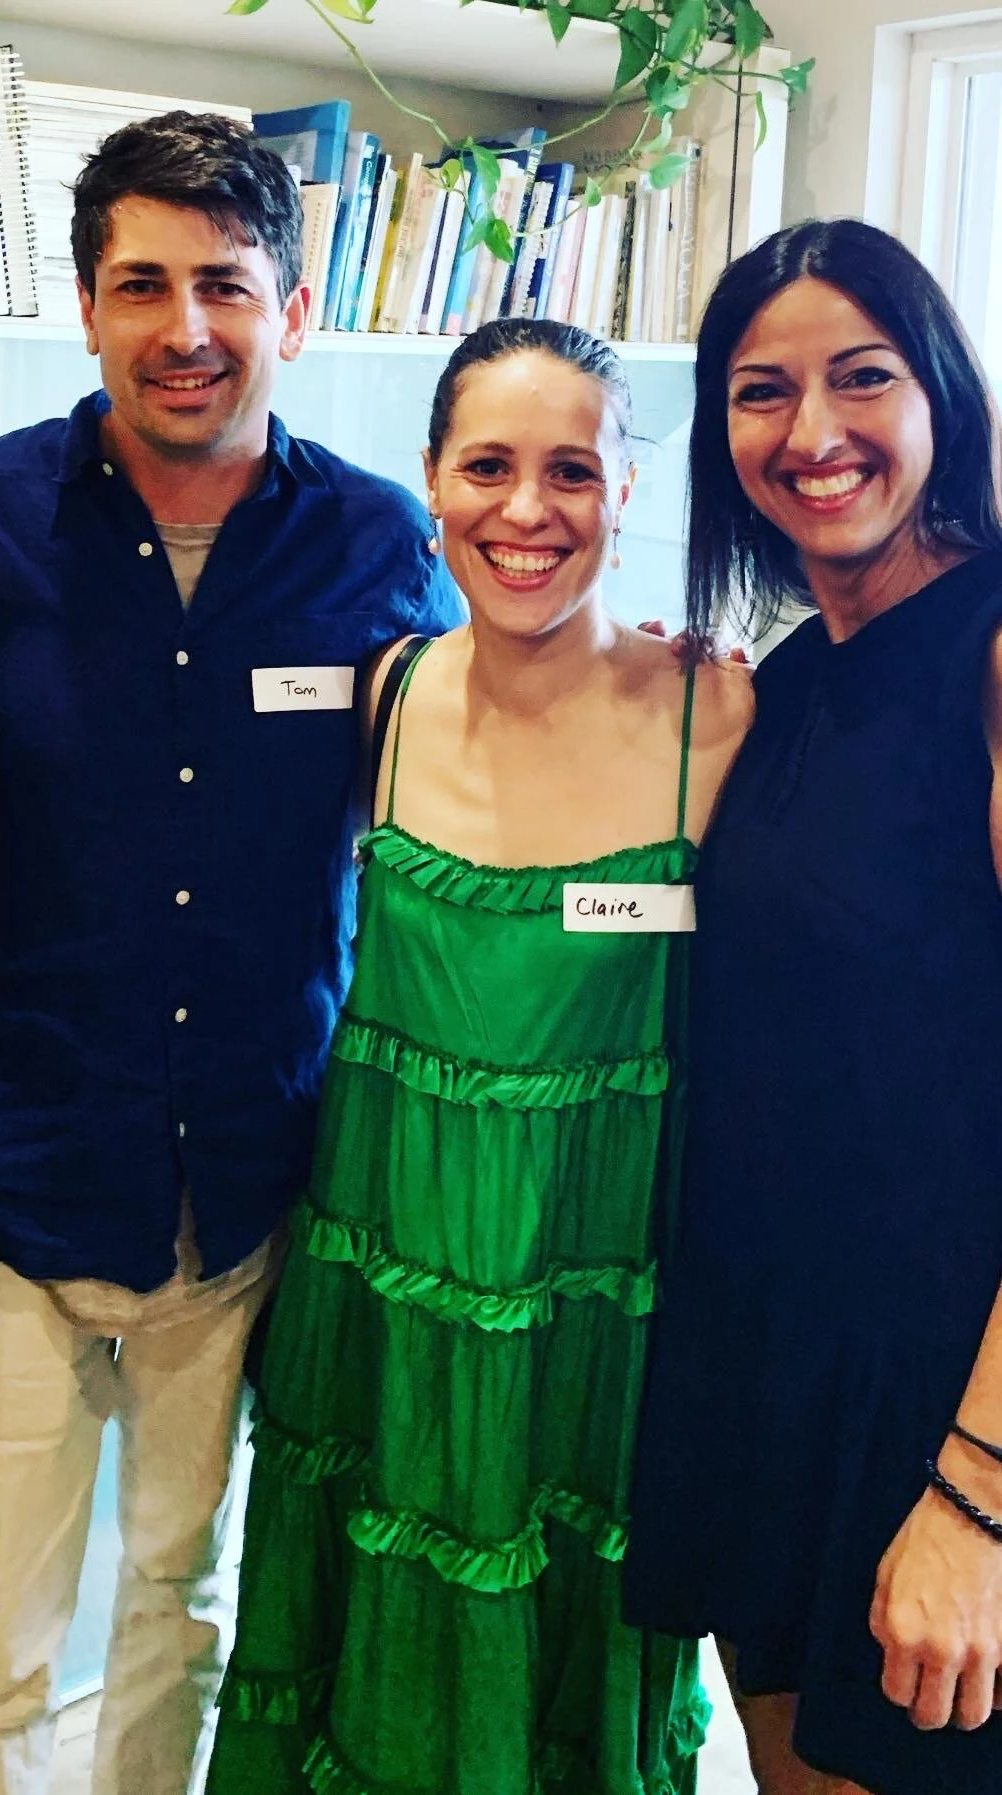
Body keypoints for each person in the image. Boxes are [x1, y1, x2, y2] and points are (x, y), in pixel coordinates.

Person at [0, 112, 462, 1795]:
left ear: (294, 307)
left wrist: (644, 681)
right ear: (86, 307)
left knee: (181, 1599)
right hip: (19, 1177)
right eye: (142, 284)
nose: (186, 327)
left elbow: (481, 756)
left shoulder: (379, 543)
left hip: (249, 1178)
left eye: (225, 283)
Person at [204, 316, 753, 1794]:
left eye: (571, 470)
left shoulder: (721, 715)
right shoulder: (384, 698)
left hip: (590, 1296)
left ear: (627, 489)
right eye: (490, 466)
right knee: (366, 1659)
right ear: (433, 481)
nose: (528, 510)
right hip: (384, 1278)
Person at [624, 218, 1002, 1795]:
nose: (812, 431)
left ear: (942, 396)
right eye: (761, 390)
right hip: (762, 1357)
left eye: (862, 377)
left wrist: (978, 1494)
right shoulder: (784, 680)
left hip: (939, 1388)